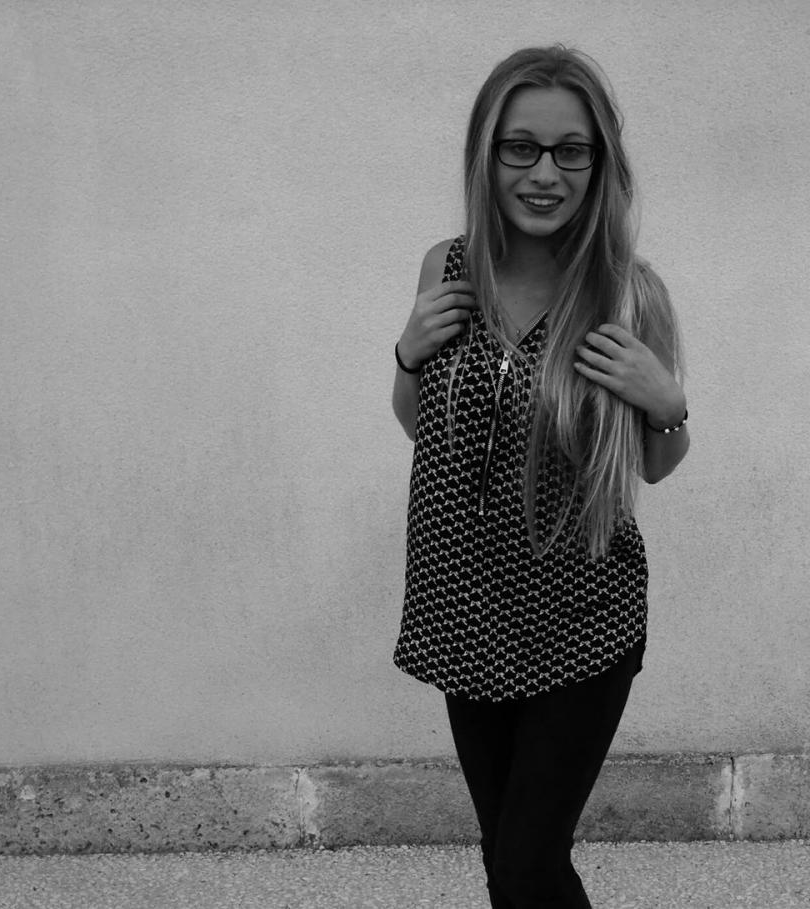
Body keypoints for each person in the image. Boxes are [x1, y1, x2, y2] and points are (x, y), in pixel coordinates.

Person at [391, 46, 689, 908]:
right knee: (509, 861)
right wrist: (407, 351)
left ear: (600, 163)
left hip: (580, 619)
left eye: (571, 150)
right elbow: (422, 426)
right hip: (462, 609)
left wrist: (667, 404)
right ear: (486, 154)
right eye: (521, 147)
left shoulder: (627, 295)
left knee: (527, 862)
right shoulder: (446, 269)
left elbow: (654, 465)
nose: (545, 174)